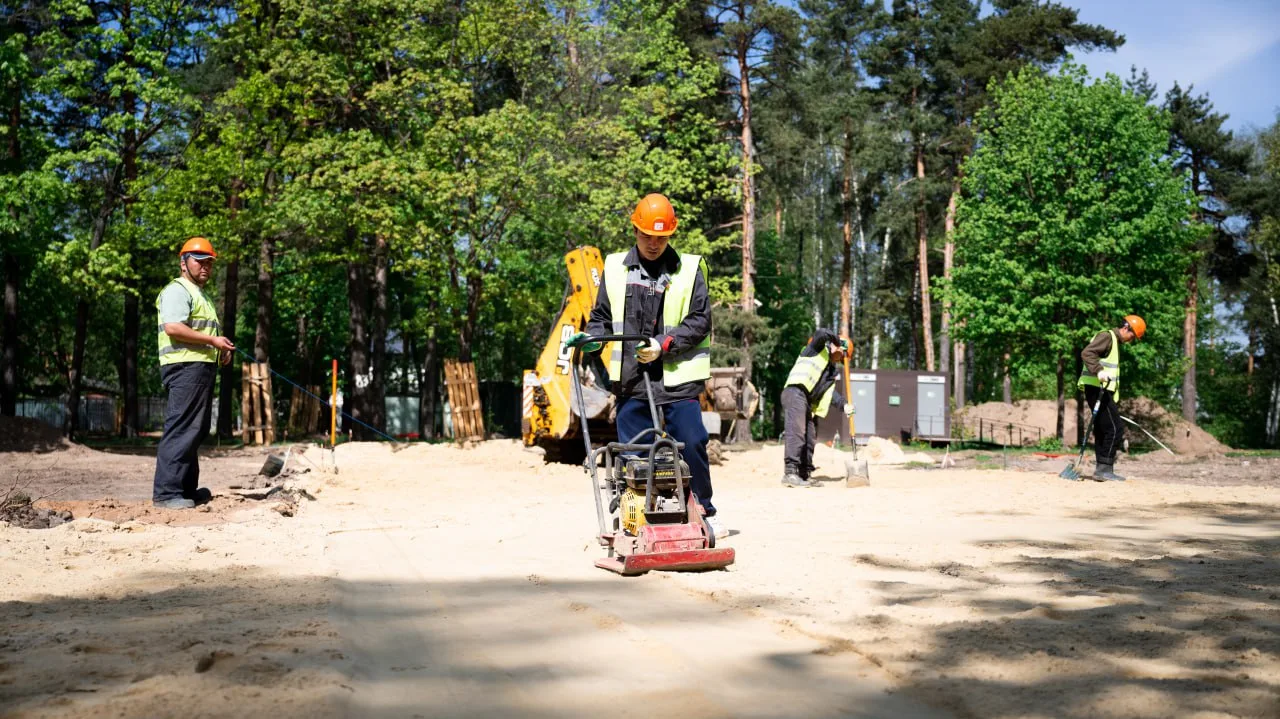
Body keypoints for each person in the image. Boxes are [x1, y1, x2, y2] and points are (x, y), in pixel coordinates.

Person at [567, 193, 724, 538]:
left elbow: (700, 320)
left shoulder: (690, 269)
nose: (654, 244)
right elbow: (602, 317)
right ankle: (637, 516)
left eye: (661, 238)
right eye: (647, 236)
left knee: (692, 442)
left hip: (678, 380)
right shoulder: (614, 268)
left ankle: (704, 511)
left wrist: (662, 345)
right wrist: (593, 339)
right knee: (636, 453)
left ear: (671, 235)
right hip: (632, 380)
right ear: (635, 231)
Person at [152, 237, 235, 509]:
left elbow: (202, 332)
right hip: (184, 367)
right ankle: (167, 493)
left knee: (194, 430)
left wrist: (219, 349)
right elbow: (173, 328)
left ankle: (186, 490)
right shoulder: (177, 290)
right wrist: (212, 341)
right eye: (199, 261)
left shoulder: (201, 295)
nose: (205, 267)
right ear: (183, 263)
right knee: (182, 428)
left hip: (199, 367)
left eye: (209, 262)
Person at [780, 329, 853, 488]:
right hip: (795, 391)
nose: (841, 358)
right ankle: (790, 473)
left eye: (843, 358)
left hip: (806, 400)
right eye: (842, 354)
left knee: (809, 436)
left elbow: (830, 394)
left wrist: (844, 405)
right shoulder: (815, 349)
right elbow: (821, 333)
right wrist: (836, 340)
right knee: (797, 432)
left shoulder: (829, 372)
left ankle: (804, 474)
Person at [1077, 314, 1145, 482]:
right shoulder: (1107, 337)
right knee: (1115, 428)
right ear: (1126, 328)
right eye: (1133, 336)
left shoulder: (1114, 342)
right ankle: (1104, 469)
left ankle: (1102, 469)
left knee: (1103, 429)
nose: (1131, 340)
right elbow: (1087, 353)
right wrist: (1099, 371)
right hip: (1097, 388)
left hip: (1100, 389)